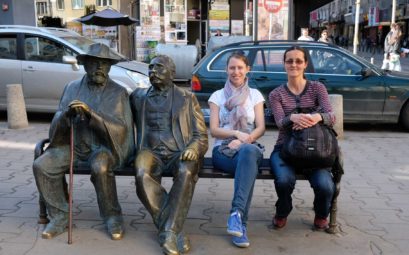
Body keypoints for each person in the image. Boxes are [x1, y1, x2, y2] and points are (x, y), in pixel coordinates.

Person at [33, 43, 134, 240]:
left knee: (101, 167)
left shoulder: (118, 92)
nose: (99, 68)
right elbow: (55, 125)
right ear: (85, 64)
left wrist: (91, 115)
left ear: (110, 67)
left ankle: (112, 216)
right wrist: (66, 115)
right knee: (42, 165)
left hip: (104, 148)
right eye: (94, 63)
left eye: (104, 64)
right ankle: (60, 216)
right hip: (73, 145)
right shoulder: (71, 88)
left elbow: (122, 130)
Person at [130, 55, 208, 255]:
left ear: (172, 74)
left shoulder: (187, 98)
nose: (152, 72)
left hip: (179, 151)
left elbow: (201, 134)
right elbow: (116, 113)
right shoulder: (138, 97)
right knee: (141, 172)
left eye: (159, 68)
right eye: (150, 68)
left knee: (186, 172)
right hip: (150, 150)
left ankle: (169, 231)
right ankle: (173, 230)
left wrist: (192, 149)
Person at [268, 46, 336, 231]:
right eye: (289, 61)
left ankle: (322, 214)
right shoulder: (276, 94)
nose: (294, 65)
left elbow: (331, 115)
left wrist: (315, 117)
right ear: (284, 64)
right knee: (283, 181)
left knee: (325, 186)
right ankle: (283, 210)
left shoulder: (317, 88)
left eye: (298, 61)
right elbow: (281, 122)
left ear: (305, 64)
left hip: (316, 149)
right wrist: (293, 118)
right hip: (285, 149)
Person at [208, 52, 265, 248]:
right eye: (232, 67)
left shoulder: (255, 95)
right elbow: (214, 129)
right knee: (247, 166)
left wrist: (243, 140)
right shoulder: (217, 96)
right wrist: (235, 134)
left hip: (249, 146)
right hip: (222, 152)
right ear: (226, 70)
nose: (236, 71)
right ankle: (240, 222)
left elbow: (261, 127)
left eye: (240, 67)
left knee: (248, 154)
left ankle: (236, 215)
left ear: (247, 69)